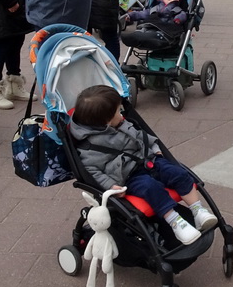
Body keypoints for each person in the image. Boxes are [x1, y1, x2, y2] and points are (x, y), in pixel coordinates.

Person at [70, 84, 217, 245]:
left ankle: (198, 211)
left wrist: (154, 148)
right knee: (150, 188)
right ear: (106, 121)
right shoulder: (89, 147)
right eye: (118, 111)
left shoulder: (120, 124)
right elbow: (92, 171)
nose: (121, 114)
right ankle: (176, 222)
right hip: (129, 176)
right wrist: (111, 186)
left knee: (178, 173)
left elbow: (141, 136)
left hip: (149, 160)